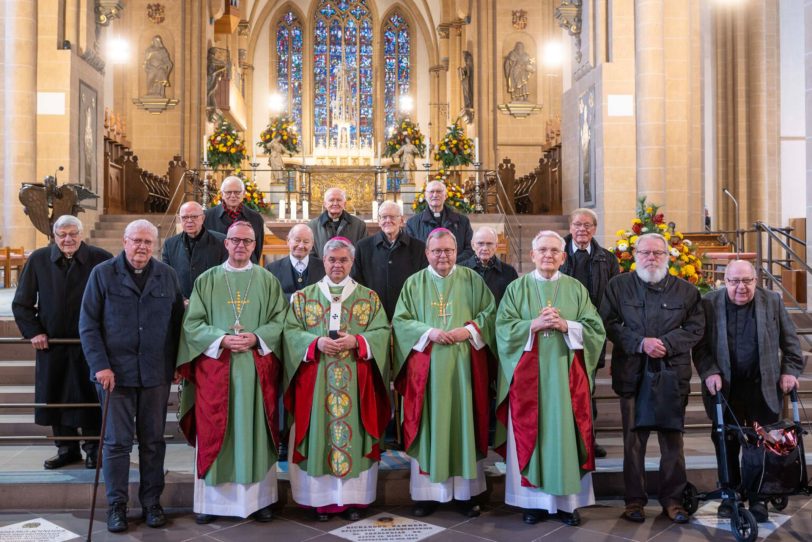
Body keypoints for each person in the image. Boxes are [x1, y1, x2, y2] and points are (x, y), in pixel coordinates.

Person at [177, 221, 288, 525]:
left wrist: (256, 337)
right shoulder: (207, 280)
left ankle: (259, 501)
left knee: (256, 431)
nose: (241, 246)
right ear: (225, 244)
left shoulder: (267, 280)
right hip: (216, 370)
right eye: (235, 240)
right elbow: (192, 325)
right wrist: (221, 339)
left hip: (254, 371)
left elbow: (281, 321)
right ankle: (210, 502)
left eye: (247, 241)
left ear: (255, 245)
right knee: (216, 431)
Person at [79, 219, 184, 533]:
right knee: (116, 444)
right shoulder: (102, 274)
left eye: (148, 242)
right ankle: (117, 506)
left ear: (155, 246)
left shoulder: (168, 276)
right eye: (137, 240)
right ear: (124, 242)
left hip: (155, 374)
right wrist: (100, 367)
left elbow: (178, 325)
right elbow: (87, 325)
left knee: (153, 443)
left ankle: (152, 502)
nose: (142, 247)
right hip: (116, 376)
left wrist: (178, 363)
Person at [495, 231, 606, 526]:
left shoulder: (575, 289)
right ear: (532, 255)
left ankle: (568, 504)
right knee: (532, 433)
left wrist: (565, 324)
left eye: (554, 251)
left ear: (563, 257)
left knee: (564, 436)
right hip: (528, 379)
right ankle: (532, 504)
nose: (548, 255)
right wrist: (533, 324)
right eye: (542, 249)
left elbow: (596, 329)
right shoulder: (516, 288)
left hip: (565, 379)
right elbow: (502, 329)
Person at [283, 237, 390, 521]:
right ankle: (320, 501)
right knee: (320, 433)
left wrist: (358, 340)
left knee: (354, 433)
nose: (337, 265)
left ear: (352, 262)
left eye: (343, 260)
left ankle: (354, 500)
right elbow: (290, 333)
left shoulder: (369, 297)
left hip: (356, 382)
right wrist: (315, 343)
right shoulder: (304, 297)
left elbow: (382, 333)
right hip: (317, 383)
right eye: (332, 260)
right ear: (324, 261)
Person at [600, 233, 704, 525]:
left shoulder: (686, 291)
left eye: (658, 253)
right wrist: (640, 342)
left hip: (672, 375)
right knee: (633, 442)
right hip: (632, 372)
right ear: (634, 255)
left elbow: (696, 328)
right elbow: (607, 323)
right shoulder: (618, 286)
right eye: (645, 252)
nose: (651, 258)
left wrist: (666, 344)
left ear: (668, 256)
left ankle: (673, 500)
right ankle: (634, 500)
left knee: (673, 441)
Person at [392, 228, 496, 518]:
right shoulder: (414, 283)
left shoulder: (472, 279)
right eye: (437, 251)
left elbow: (489, 313)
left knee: (464, 422)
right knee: (429, 425)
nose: (443, 256)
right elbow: (400, 322)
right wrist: (429, 332)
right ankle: (427, 495)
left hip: (463, 369)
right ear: (427, 253)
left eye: (448, 250)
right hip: (427, 372)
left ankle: (466, 494)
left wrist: (469, 330)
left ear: (456, 252)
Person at [693, 260, 805, 522]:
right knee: (726, 442)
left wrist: (790, 370)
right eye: (734, 281)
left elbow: (790, 341)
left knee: (764, 444)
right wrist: (709, 372)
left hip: (762, 385)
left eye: (747, 281)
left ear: (756, 280)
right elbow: (699, 347)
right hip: (726, 387)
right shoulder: (709, 302)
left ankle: (759, 498)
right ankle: (730, 494)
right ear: (725, 281)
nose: (741, 287)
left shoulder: (772, 301)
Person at [12, 215, 112, 470]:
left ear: (82, 234)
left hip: (90, 344)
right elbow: (22, 303)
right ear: (54, 237)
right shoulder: (38, 260)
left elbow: (113, 300)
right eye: (62, 235)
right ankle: (66, 449)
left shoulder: (100, 258)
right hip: (53, 343)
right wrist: (34, 331)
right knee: (56, 396)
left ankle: (93, 449)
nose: (68, 239)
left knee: (88, 395)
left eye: (72, 234)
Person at [559, 208, 619, 458]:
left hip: (592, 333)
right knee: (562, 386)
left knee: (587, 386)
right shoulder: (556, 253)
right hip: (561, 332)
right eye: (577, 225)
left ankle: (588, 439)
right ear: (570, 228)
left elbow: (613, 296)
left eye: (587, 225)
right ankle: (562, 437)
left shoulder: (607, 259)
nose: (582, 229)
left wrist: (598, 324)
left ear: (594, 229)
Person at [352, 200, 428, 320]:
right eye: (384, 217)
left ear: (401, 220)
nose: (388, 220)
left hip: (408, 313)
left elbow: (423, 281)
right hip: (372, 312)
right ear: (379, 220)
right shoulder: (363, 246)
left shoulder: (418, 247)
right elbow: (357, 280)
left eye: (392, 217)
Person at [162, 201, 227, 299]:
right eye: (184, 217)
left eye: (194, 217)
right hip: (181, 306)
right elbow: (166, 277)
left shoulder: (222, 242)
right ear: (180, 219)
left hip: (212, 303)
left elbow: (226, 276)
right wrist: (181, 300)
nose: (189, 221)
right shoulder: (170, 244)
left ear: (203, 218)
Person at [405, 180, 474, 262]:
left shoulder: (463, 221)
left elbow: (470, 249)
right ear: (426, 196)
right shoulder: (412, 223)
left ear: (445, 196)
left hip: (456, 269)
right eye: (431, 192)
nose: (435, 195)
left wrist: (451, 263)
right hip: (426, 270)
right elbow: (410, 251)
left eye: (439, 191)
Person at [203, 176, 266, 263]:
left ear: (243, 194)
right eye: (228, 192)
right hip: (217, 268)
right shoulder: (207, 216)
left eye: (237, 192)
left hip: (246, 269)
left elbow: (257, 250)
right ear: (222, 194)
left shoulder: (255, 218)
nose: (233, 196)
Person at [459, 226, 517, 307]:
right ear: (473, 245)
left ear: (496, 246)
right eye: (480, 243)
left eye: (489, 244)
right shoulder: (460, 270)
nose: (485, 248)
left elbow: (514, 304)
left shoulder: (510, 272)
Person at [265, 224, 325, 298]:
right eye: (297, 240)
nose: (301, 246)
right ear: (288, 241)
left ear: (312, 244)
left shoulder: (323, 267)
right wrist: (293, 298)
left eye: (306, 242)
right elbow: (269, 297)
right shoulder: (271, 269)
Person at [308, 188, 368, 257]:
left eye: (339, 200)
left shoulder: (359, 225)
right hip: (321, 267)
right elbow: (310, 253)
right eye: (331, 200)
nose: (335, 203)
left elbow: (364, 251)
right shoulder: (312, 226)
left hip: (350, 267)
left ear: (344, 204)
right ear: (325, 204)